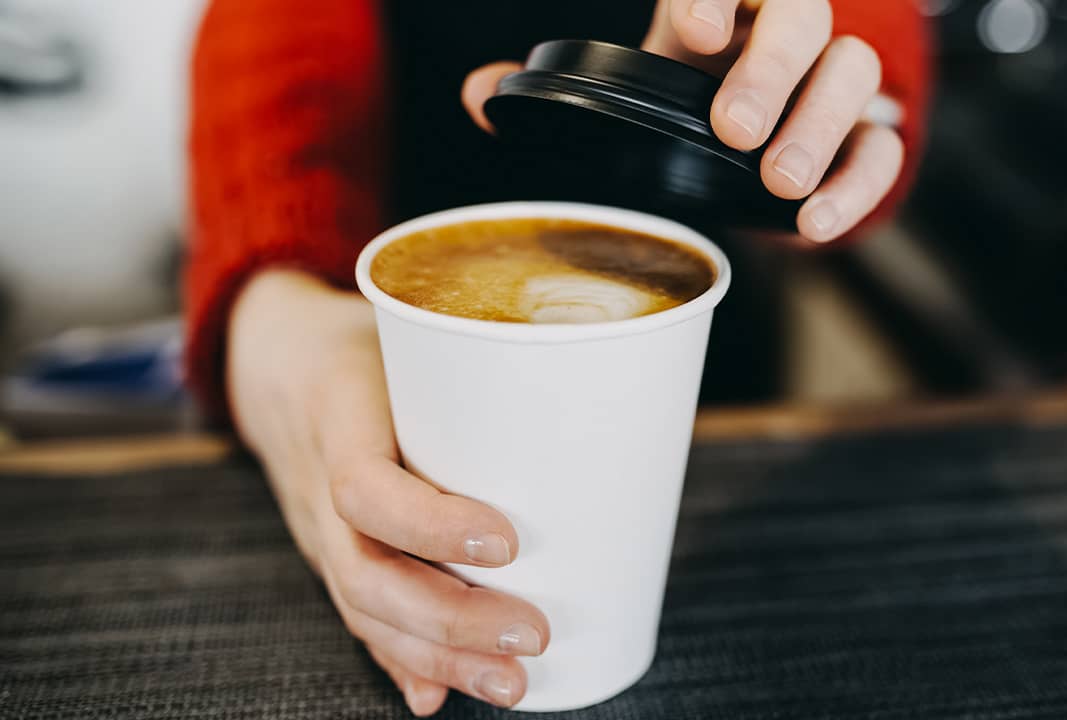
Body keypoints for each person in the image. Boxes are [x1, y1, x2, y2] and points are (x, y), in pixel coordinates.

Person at [184, 0, 931, 714]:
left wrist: (821, 83)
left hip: (698, 318)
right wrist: (278, 303)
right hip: (399, 279)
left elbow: (853, 31)